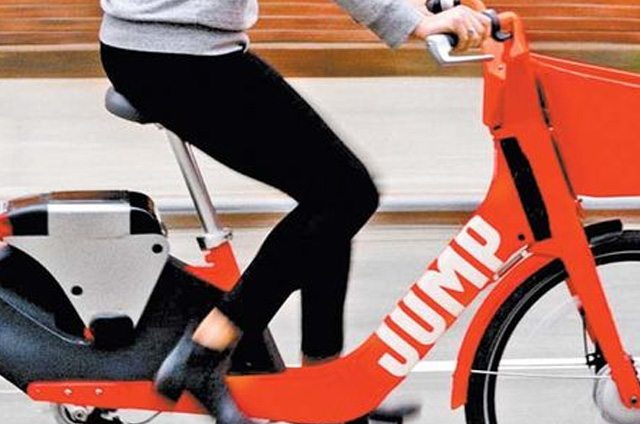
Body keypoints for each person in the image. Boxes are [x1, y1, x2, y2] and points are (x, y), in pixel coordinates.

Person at [99, 0, 490, 421]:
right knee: (344, 194)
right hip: (173, 55)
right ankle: (204, 353)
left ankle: (323, 388)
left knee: (330, 194)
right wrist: (413, 21)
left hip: (169, 46)